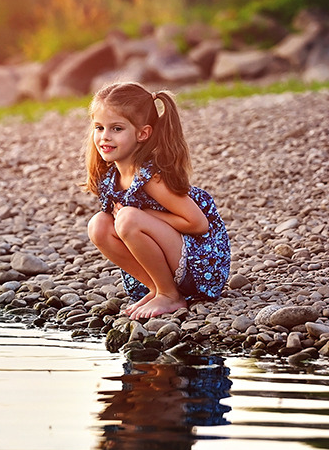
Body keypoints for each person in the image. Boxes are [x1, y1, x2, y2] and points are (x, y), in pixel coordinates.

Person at [83, 82, 230, 319]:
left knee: (128, 218)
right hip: (166, 263)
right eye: (99, 127)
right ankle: (156, 289)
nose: (105, 136)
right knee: (98, 224)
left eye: (117, 129)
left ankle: (169, 295)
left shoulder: (151, 176)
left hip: (200, 266)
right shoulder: (111, 177)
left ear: (142, 133)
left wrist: (146, 215)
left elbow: (198, 224)